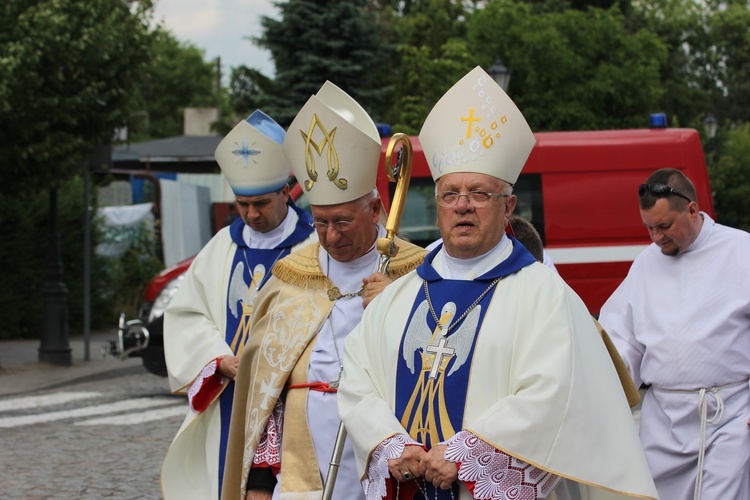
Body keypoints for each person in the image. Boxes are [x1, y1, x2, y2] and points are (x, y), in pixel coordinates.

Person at [337, 66, 657, 500]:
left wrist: (468, 452)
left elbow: (559, 394)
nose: (463, 206)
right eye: (450, 194)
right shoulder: (399, 297)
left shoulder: (543, 294)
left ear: (508, 207)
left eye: (480, 194)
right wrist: (392, 443)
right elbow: (359, 379)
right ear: (436, 207)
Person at [221, 81, 428, 500]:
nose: (330, 237)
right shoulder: (291, 275)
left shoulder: (417, 272)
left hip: (384, 454)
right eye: (320, 223)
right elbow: (266, 393)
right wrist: (259, 485)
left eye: (342, 222)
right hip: (300, 464)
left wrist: (396, 305)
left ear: (374, 209)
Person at [160, 110, 317, 500]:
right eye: (242, 204)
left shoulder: (313, 248)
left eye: (261, 203)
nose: (251, 214)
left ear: (286, 191)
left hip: (287, 398)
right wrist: (218, 358)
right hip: (230, 392)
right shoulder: (223, 247)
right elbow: (187, 314)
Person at [598, 167, 750, 500]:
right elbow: (622, 340)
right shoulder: (645, 265)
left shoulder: (741, 251)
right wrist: (606, 376)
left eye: (664, 226)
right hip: (664, 423)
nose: (656, 238)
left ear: (693, 210)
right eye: (649, 228)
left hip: (729, 416)